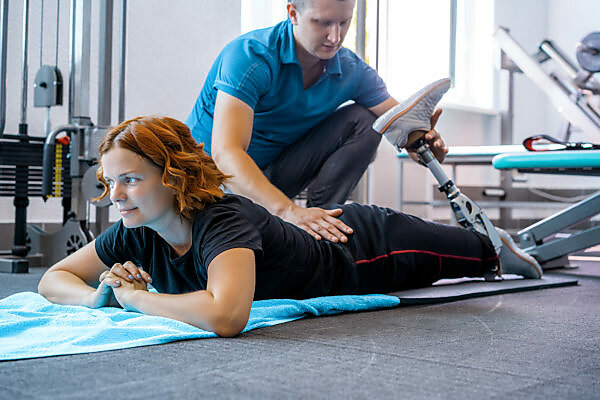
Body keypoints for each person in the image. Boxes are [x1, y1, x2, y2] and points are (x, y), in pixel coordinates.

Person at [38, 116, 542, 338]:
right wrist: (95, 297)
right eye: (110, 182)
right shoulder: (135, 227)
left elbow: (227, 316)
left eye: (130, 179)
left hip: (366, 249)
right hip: (335, 244)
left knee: (481, 254)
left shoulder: (222, 217)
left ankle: (499, 245)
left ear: (173, 176)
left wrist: (135, 299)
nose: (116, 195)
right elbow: (52, 279)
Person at [185, 0, 448, 244]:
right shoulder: (250, 57)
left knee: (365, 120)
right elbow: (226, 153)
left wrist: (422, 144)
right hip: (206, 183)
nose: (335, 37)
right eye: (322, 23)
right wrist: (288, 211)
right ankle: (297, 221)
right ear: (293, 13)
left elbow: (401, 124)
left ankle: (321, 227)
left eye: (344, 23)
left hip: (271, 173)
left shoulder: (351, 70)